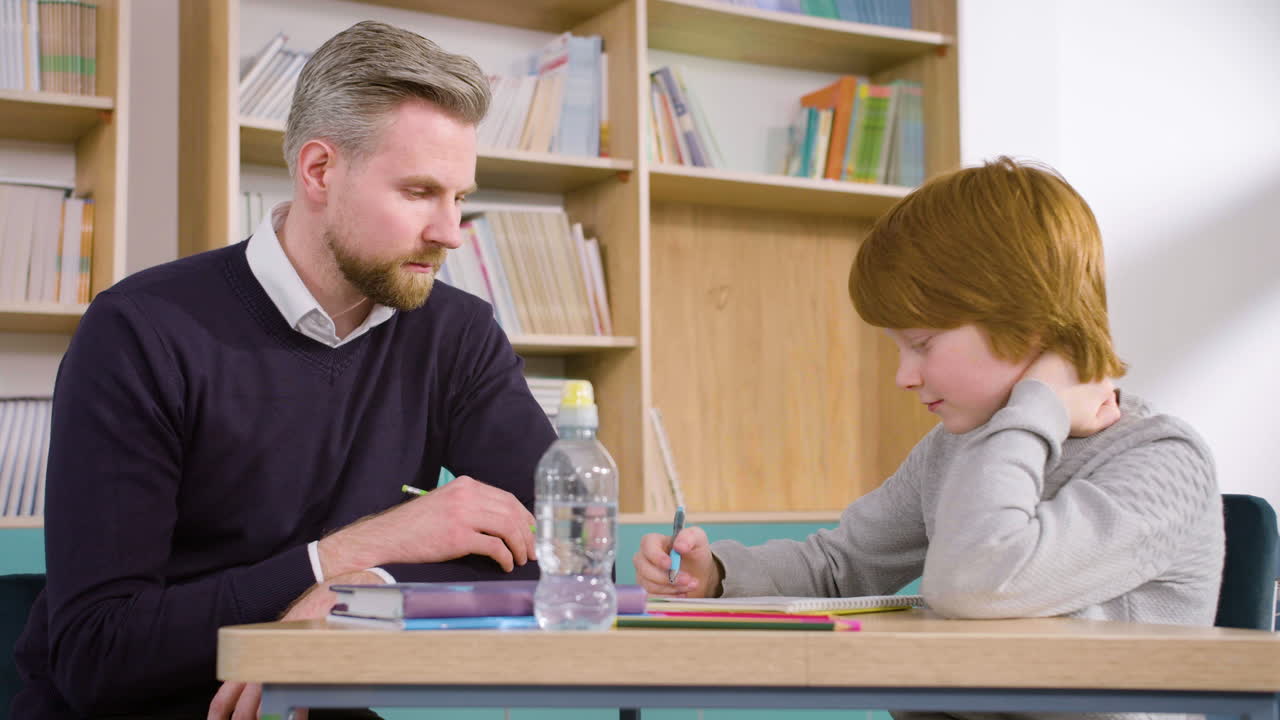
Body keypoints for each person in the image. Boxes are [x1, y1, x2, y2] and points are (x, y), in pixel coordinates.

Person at [14, 21, 556, 720]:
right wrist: (342, 555)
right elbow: (98, 653)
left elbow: (573, 558)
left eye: (459, 197)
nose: (450, 232)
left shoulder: (458, 334)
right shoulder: (139, 331)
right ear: (319, 170)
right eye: (420, 192)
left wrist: (371, 589)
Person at [635, 158, 1225, 711]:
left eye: (922, 344)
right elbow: (841, 566)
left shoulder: (1163, 464)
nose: (904, 376)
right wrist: (716, 575)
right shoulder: (957, 448)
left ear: (1030, 327)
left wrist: (1038, 402)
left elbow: (978, 583)